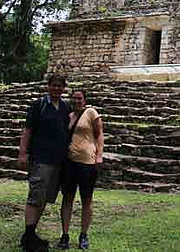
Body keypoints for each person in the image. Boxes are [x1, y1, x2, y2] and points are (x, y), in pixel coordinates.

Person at [18, 74, 71, 252]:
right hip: (41, 159)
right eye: (54, 85)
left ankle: (31, 234)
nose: (57, 89)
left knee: (45, 198)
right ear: (48, 86)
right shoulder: (38, 105)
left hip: (57, 161)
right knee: (35, 196)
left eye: (60, 86)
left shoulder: (65, 107)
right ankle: (28, 235)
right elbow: (28, 130)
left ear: (64, 88)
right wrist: (22, 153)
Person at [56, 89, 104, 250]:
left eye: (79, 98)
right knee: (67, 198)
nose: (76, 101)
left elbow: (99, 134)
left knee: (86, 199)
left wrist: (99, 156)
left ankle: (83, 234)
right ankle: (65, 235)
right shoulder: (69, 116)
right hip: (70, 162)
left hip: (87, 162)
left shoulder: (91, 113)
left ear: (84, 100)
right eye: (74, 98)